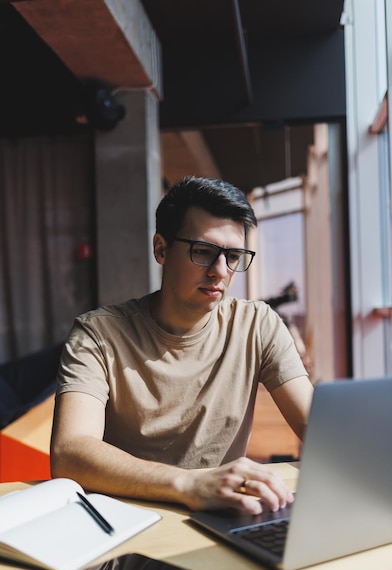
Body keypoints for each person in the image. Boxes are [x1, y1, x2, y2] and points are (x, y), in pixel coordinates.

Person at [51, 176, 314, 515]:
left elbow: (318, 430)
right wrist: (188, 484)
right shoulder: (98, 335)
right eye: (204, 252)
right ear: (161, 248)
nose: (220, 271)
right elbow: (69, 453)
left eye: (233, 255)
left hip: (223, 520)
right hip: (126, 525)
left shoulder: (256, 324)